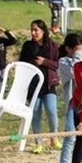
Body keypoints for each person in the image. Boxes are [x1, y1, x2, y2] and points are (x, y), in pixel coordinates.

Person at [19, 19, 60, 154]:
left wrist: (45, 62)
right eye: (32, 30)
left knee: (51, 111)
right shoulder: (28, 46)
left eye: (36, 30)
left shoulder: (52, 46)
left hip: (48, 85)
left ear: (43, 31)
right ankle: (38, 142)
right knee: (35, 114)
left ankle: (54, 137)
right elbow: (22, 64)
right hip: (33, 87)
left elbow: (57, 64)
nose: (33, 33)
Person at [56, 33, 82, 163]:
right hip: (71, 103)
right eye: (77, 50)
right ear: (68, 49)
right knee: (70, 135)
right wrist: (78, 55)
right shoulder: (64, 62)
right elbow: (76, 73)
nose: (81, 54)